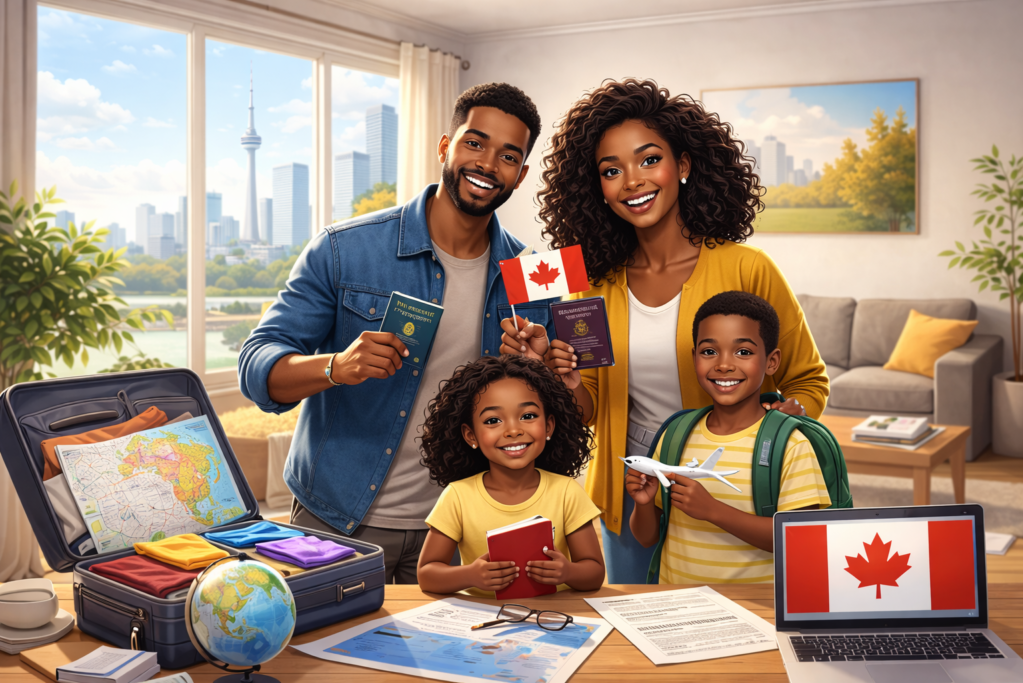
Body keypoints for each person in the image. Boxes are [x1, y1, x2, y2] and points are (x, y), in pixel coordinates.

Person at [503, 78, 829, 584]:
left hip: (733, 487)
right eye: (612, 171)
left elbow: (808, 379)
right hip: (633, 491)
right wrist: (558, 381)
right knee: (638, 638)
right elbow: (588, 408)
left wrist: (790, 412)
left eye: (649, 160)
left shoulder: (749, 268)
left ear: (685, 165)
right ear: (599, 189)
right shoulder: (592, 285)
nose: (632, 181)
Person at [238, 83, 556, 584]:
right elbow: (256, 367)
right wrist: (335, 367)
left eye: (508, 155)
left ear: (521, 173)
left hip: (461, 534)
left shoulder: (532, 274)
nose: (488, 164)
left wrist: (545, 377)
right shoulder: (345, 249)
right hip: (338, 520)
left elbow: (562, 416)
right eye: (475, 143)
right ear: (444, 146)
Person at [627, 291, 832, 583]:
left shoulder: (790, 444)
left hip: (757, 613)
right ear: (694, 356)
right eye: (709, 351)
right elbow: (647, 538)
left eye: (743, 352)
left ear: (771, 361)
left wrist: (713, 511)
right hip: (678, 607)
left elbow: (800, 540)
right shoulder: (674, 435)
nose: (723, 364)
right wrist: (643, 502)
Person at [417, 355, 605, 597]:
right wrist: (470, 575)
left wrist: (567, 572)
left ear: (548, 426)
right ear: (470, 435)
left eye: (528, 416)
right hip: (482, 623)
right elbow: (427, 575)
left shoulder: (567, 492)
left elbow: (595, 573)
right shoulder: (457, 496)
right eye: (493, 420)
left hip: (553, 620)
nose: (514, 430)